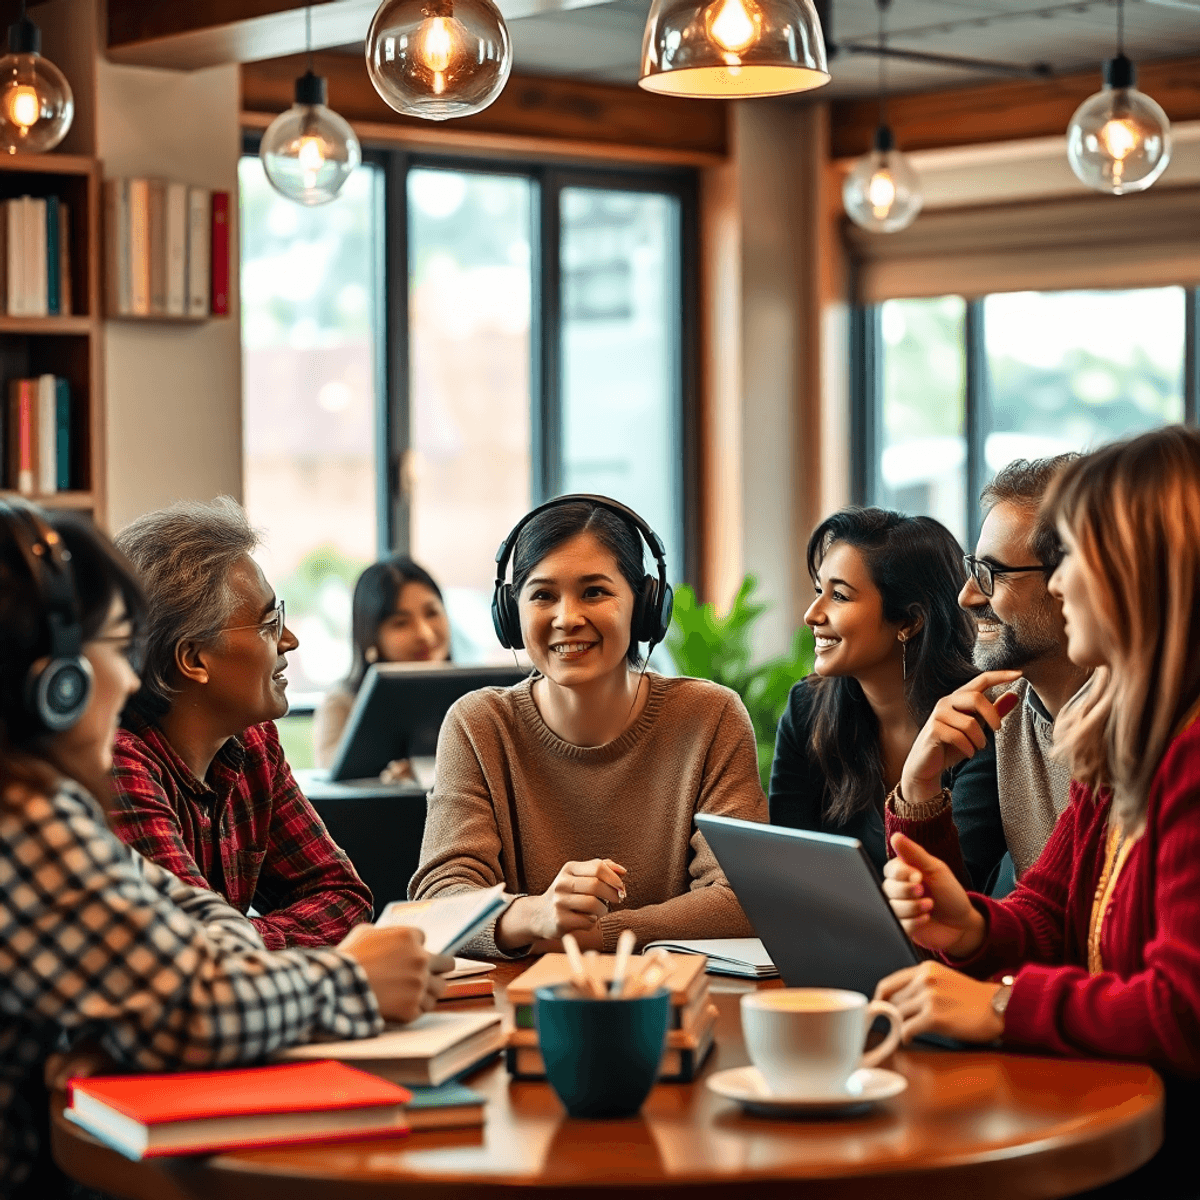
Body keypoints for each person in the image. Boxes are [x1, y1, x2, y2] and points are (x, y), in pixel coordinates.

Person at [0, 499, 451, 1199]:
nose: (124, 678)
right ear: (58, 687)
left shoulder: (42, 807)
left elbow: (195, 933)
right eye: (114, 650)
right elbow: (197, 1010)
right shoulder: (26, 824)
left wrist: (209, 964)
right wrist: (354, 981)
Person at [876, 426, 1200, 1198]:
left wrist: (1000, 1004)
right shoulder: (1123, 731)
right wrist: (974, 927)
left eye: (1073, 561)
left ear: (1138, 575)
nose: (1059, 586)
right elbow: (1051, 912)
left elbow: (1184, 1013)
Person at [410, 495, 767, 954]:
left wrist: (597, 934)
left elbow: (741, 898)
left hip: (675, 998)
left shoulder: (710, 717)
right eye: (542, 595)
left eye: (594, 591)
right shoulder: (478, 725)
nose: (567, 618)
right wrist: (536, 914)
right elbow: (440, 902)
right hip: (524, 1003)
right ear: (511, 613)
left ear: (644, 606)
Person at [108, 498, 373, 949]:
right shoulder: (116, 764)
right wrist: (241, 943)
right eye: (270, 623)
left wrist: (244, 939)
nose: (289, 640)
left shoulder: (253, 742)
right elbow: (197, 952)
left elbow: (346, 900)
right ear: (194, 658)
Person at [886, 456, 1093, 893]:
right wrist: (918, 791)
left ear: (1072, 581)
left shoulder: (1146, 729)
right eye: (972, 569)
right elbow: (946, 922)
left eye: (991, 573)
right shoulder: (1004, 709)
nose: (966, 596)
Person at [768, 507, 979, 874]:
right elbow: (788, 870)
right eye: (820, 590)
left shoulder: (976, 724)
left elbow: (963, 888)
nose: (812, 614)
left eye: (840, 596)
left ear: (909, 621)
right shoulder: (807, 710)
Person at [313, 555, 451, 769]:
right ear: (371, 636)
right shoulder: (343, 703)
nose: (424, 633)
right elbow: (337, 784)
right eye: (401, 623)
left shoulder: (474, 697)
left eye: (432, 613)